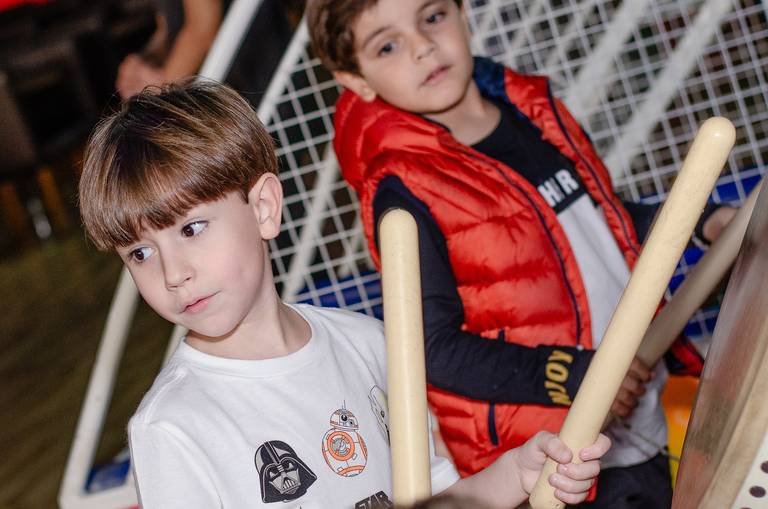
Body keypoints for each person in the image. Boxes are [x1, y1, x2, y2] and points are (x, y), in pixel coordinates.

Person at [77, 79, 610, 508]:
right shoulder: (172, 426)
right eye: (139, 253)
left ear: (264, 208)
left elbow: (430, 496)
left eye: (191, 229)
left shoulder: (370, 344)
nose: (172, 273)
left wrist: (516, 474)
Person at [305, 0, 737, 507]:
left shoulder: (532, 113)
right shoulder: (404, 189)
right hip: (544, 458)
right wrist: (575, 375)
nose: (423, 47)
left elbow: (599, 225)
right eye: (387, 46)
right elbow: (434, 351)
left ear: (464, 14)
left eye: (432, 17)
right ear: (356, 80)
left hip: (634, 422)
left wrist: (706, 220)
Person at [115, 0, 223, 100]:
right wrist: (146, 61)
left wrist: (163, 91)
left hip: (224, 72)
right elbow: (167, 27)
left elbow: (203, 28)